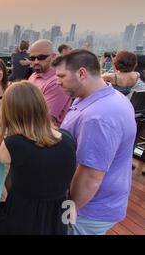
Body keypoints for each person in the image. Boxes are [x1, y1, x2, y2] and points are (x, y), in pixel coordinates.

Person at [53, 49, 136, 235]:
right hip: (99, 202)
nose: (57, 81)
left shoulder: (98, 117)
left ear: (82, 73)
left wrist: (70, 207)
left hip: (87, 209)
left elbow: (91, 176)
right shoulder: (100, 97)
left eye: (61, 76)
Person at [0, 81, 77, 235]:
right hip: (56, 213)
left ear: (9, 112)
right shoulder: (67, 139)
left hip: (23, 215)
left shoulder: (15, 144)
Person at [28, 39, 72, 127]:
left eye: (41, 57)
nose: (36, 62)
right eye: (32, 58)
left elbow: (45, 119)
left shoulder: (57, 82)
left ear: (53, 56)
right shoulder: (34, 76)